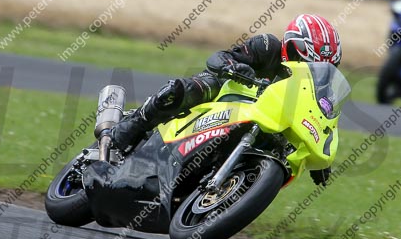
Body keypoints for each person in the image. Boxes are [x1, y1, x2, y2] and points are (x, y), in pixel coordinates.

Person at [110, 14, 343, 185]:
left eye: (321, 67)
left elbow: (320, 119)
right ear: (291, 47)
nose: (310, 69)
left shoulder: (318, 88)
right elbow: (219, 57)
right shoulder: (267, 46)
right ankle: (130, 127)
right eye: (307, 61)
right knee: (184, 90)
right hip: (228, 92)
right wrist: (232, 67)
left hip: (266, 120)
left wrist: (319, 160)